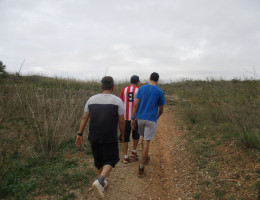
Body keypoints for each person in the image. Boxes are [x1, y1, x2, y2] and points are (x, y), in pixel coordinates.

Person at [75, 76, 125, 199]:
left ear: (101, 87)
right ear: (113, 87)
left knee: (98, 162)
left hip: (94, 136)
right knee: (111, 160)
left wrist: (79, 134)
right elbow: (122, 122)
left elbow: (84, 118)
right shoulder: (117, 101)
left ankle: (101, 184)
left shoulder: (91, 100)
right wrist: (122, 135)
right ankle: (101, 180)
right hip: (109, 136)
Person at [131, 72, 165, 178]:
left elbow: (135, 104)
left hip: (139, 119)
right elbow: (161, 109)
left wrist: (132, 118)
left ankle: (145, 158)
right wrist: (157, 117)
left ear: (149, 78)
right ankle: (141, 167)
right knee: (147, 142)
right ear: (157, 80)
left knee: (143, 137)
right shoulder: (159, 91)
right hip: (151, 120)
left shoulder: (141, 89)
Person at [120, 75, 140, 164]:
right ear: (137, 82)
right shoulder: (138, 90)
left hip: (125, 117)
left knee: (125, 137)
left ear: (130, 81)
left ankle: (125, 156)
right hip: (135, 117)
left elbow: (121, 102)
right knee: (136, 135)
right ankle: (134, 151)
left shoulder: (124, 90)